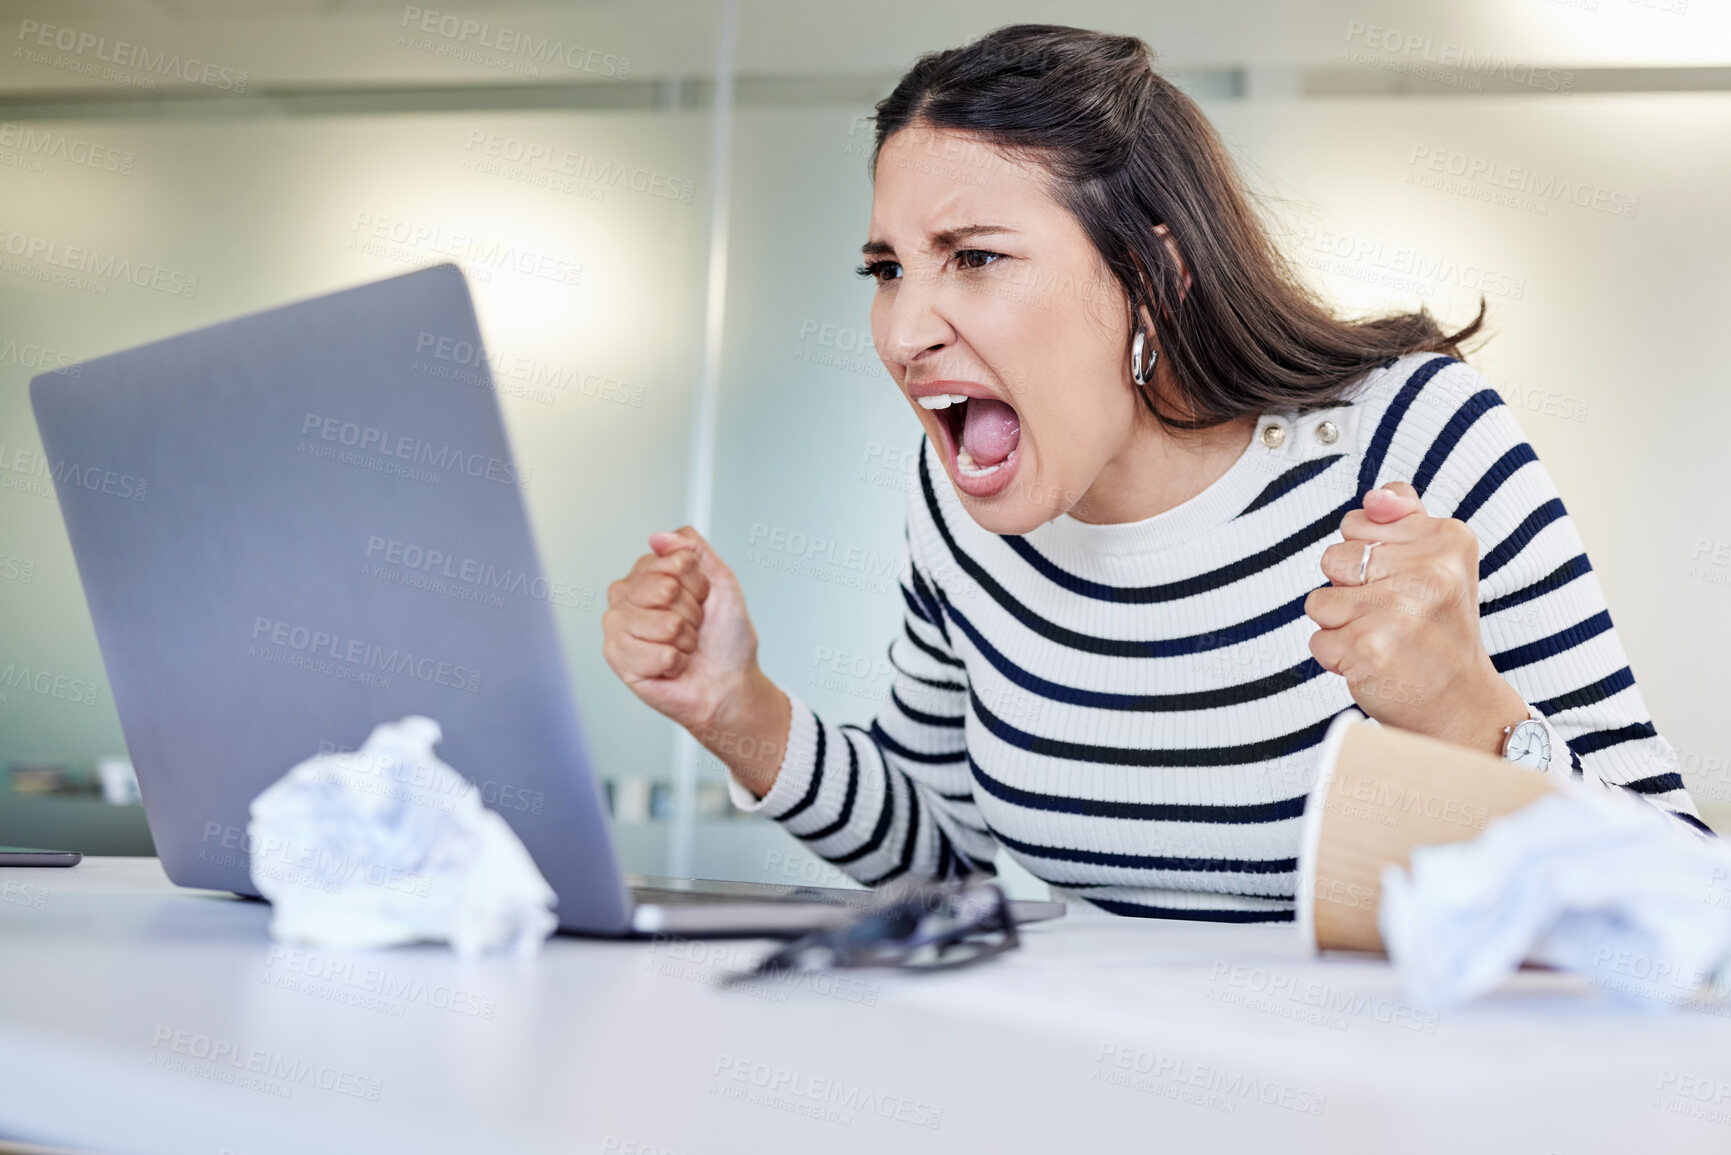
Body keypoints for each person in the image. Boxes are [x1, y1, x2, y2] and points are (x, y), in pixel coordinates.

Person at [601, 24, 1705, 922]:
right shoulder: (959, 496)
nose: (903, 330)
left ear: (1153, 274)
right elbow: (945, 861)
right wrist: (737, 710)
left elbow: (1687, 895)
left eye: (974, 257)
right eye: (888, 268)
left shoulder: (1409, 441)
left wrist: (1464, 711)